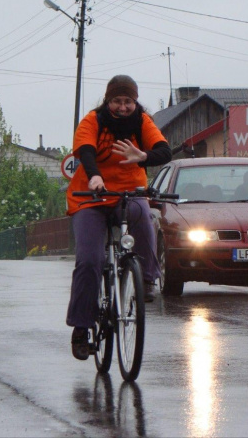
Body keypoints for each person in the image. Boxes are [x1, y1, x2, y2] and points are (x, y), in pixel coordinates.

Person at [66, 75, 172, 360]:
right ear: (107, 101)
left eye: (128, 101)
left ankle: (146, 279)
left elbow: (164, 150)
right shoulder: (94, 120)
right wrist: (95, 176)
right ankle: (81, 326)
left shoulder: (142, 121)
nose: (123, 107)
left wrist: (142, 156)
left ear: (135, 101)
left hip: (127, 192)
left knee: (143, 214)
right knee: (90, 260)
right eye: (117, 101)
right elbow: (85, 151)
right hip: (91, 196)